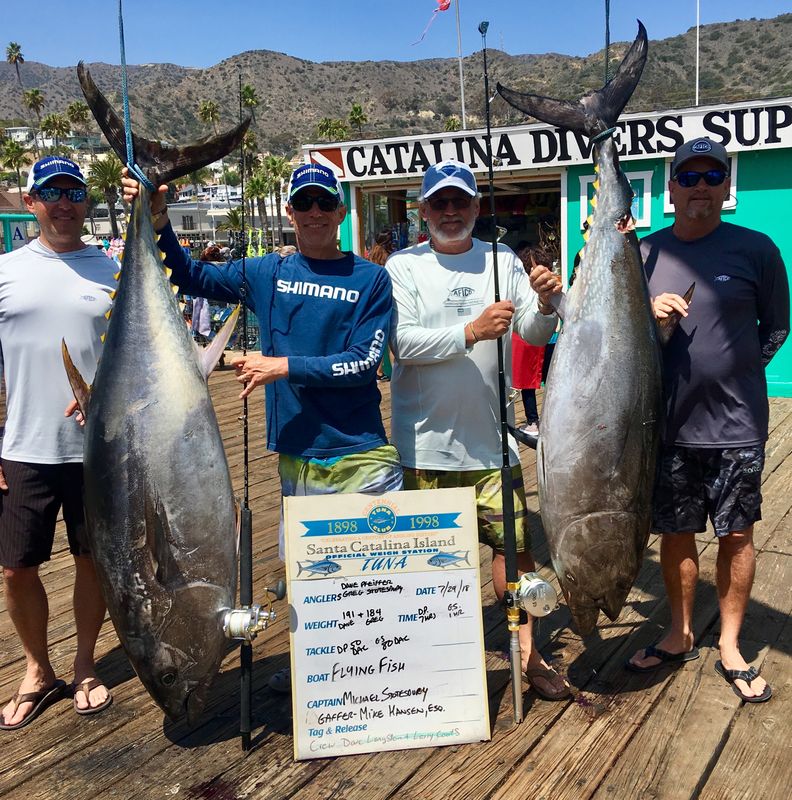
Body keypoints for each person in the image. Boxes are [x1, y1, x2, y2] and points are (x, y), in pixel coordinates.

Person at [122, 162, 403, 692]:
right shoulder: (266, 272)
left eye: (325, 203)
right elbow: (190, 276)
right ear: (290, 212)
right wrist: (157, 219)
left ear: (341, 212)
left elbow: (365, 363)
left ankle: (376, 689)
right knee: (310, 578)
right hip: (297, 455)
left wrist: (283, 366)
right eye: (305, 203)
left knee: (373, 577)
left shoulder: (370, 279)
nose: (315, 213)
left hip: (360, 452)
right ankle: (322, 682)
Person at [385, 159, 570, 700]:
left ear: (475, 206)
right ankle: (430, 660)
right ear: (423, 211)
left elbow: (532, 332)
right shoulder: (402, 266)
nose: (450, 210)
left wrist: (545, 302)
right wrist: (470, 330)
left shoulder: (501, 258)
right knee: (424, 562)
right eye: (439, 202)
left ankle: (530, 654)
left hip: (493, 445)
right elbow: (402, 344)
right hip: (423, 448)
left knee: (514, 554)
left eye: (460, 201)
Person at [627, 138, 790, 703]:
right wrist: (648, 318)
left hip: (737, 426)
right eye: (689, 176)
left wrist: (738, 371)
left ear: (726, 187)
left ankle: (730, 643)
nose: (701, 186)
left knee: (737, 534)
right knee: (675, 533)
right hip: (666, 426)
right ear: (671, 188)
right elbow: (624, 339)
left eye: (712, 176)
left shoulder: (757, 249)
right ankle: (679, 632)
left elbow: (777, 327)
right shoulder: (644, 254)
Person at [0, 156, 116, 729]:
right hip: (24, 446)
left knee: (93, 559)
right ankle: (37, 668)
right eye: (52, 192)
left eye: (74, 192)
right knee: (15, 568)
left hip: (99, 451)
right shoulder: (5, 270)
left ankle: (85, 663)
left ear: (86, 201)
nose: (64, 203)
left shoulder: (113, 271)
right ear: (31, 201)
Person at [513, 245, 552, 440]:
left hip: (528, 341)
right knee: (551, 381)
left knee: (527, 383)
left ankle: (533, 422)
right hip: (552, 339)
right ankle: (550, 421)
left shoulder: (524, 284)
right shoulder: (550, 281)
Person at [368, 228, 398, 381]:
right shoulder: (390, 258)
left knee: (379, 339)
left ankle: (378, 372)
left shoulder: (372, 254)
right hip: (389, 298)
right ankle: (395, 372)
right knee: (393, 339)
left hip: (376, 299)